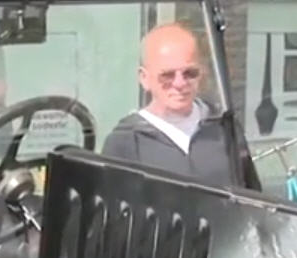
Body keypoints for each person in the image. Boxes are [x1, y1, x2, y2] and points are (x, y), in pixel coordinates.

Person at [100, 22, 240, 186]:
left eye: (190, 73)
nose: (179, 83)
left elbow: (250, 194)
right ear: (144, 78)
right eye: (167, 75)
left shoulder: (224, 128)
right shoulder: (126, 141)